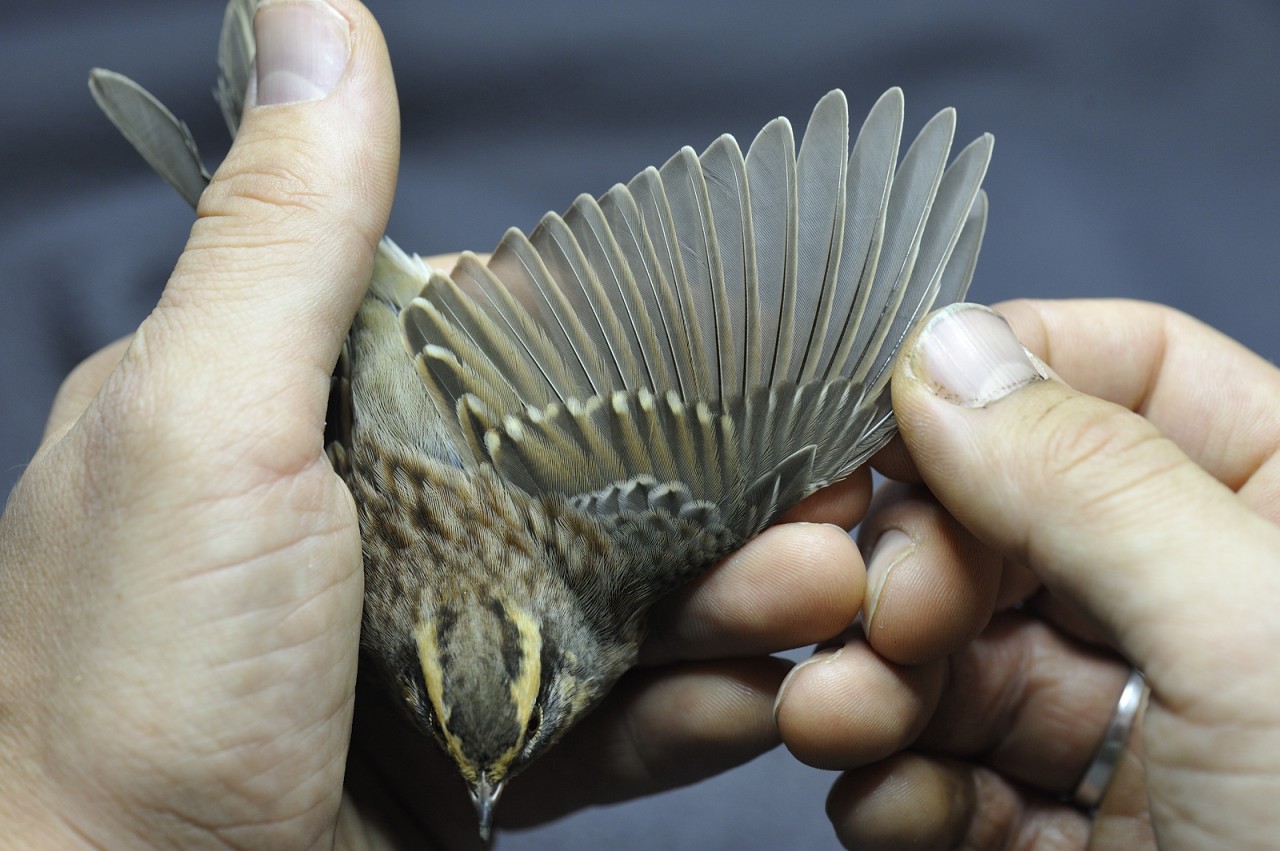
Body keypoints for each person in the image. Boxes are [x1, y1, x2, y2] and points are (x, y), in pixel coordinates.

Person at [0, 2, 1275, 849]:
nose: (496, 776)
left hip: (381, 363)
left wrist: (77, 815)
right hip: (386, 373)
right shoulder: (576, 571)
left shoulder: (604, 551)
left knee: (790, 487)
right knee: (788, 491)